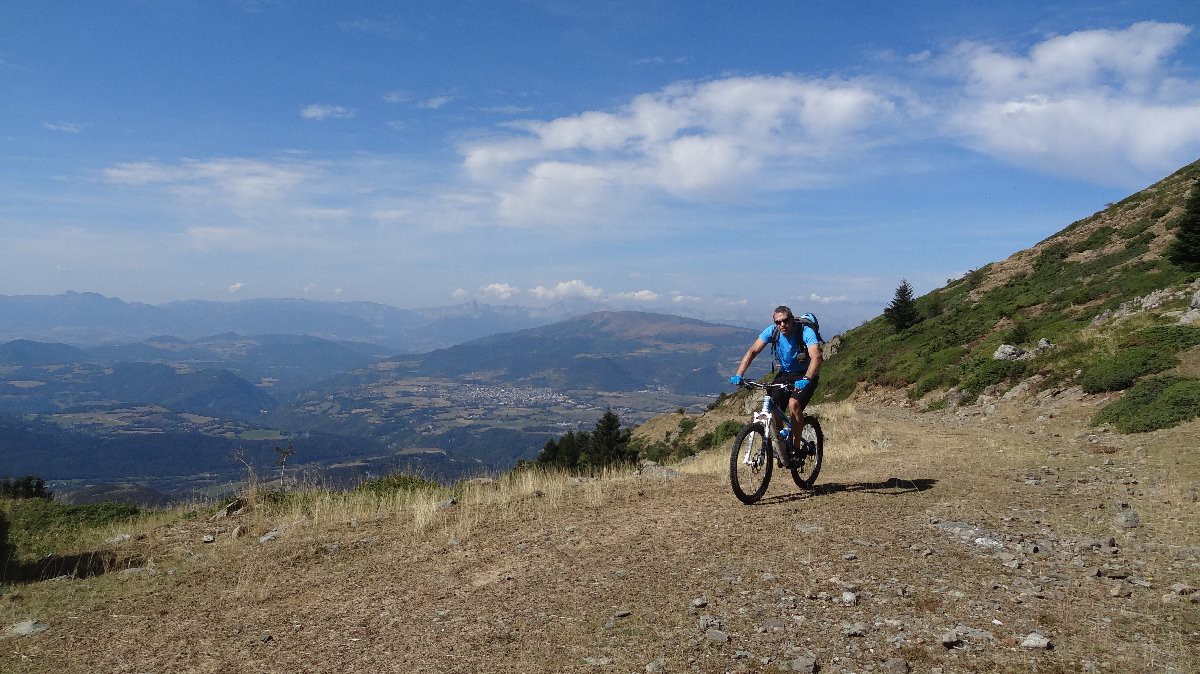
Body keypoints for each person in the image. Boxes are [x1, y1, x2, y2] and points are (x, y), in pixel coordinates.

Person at [729, 305, 822, 467]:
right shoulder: (772, 331)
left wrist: (807, 378)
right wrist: (739, 374)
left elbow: (816, 357)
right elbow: (752, 351)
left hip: (806, 374)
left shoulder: (805, 332)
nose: (782, 325)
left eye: (785, 321)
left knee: (794, 403)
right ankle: (781, 445)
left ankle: (796, 447)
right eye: (778, 322)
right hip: (785, 374)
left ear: (792, 319)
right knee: (771, 406)